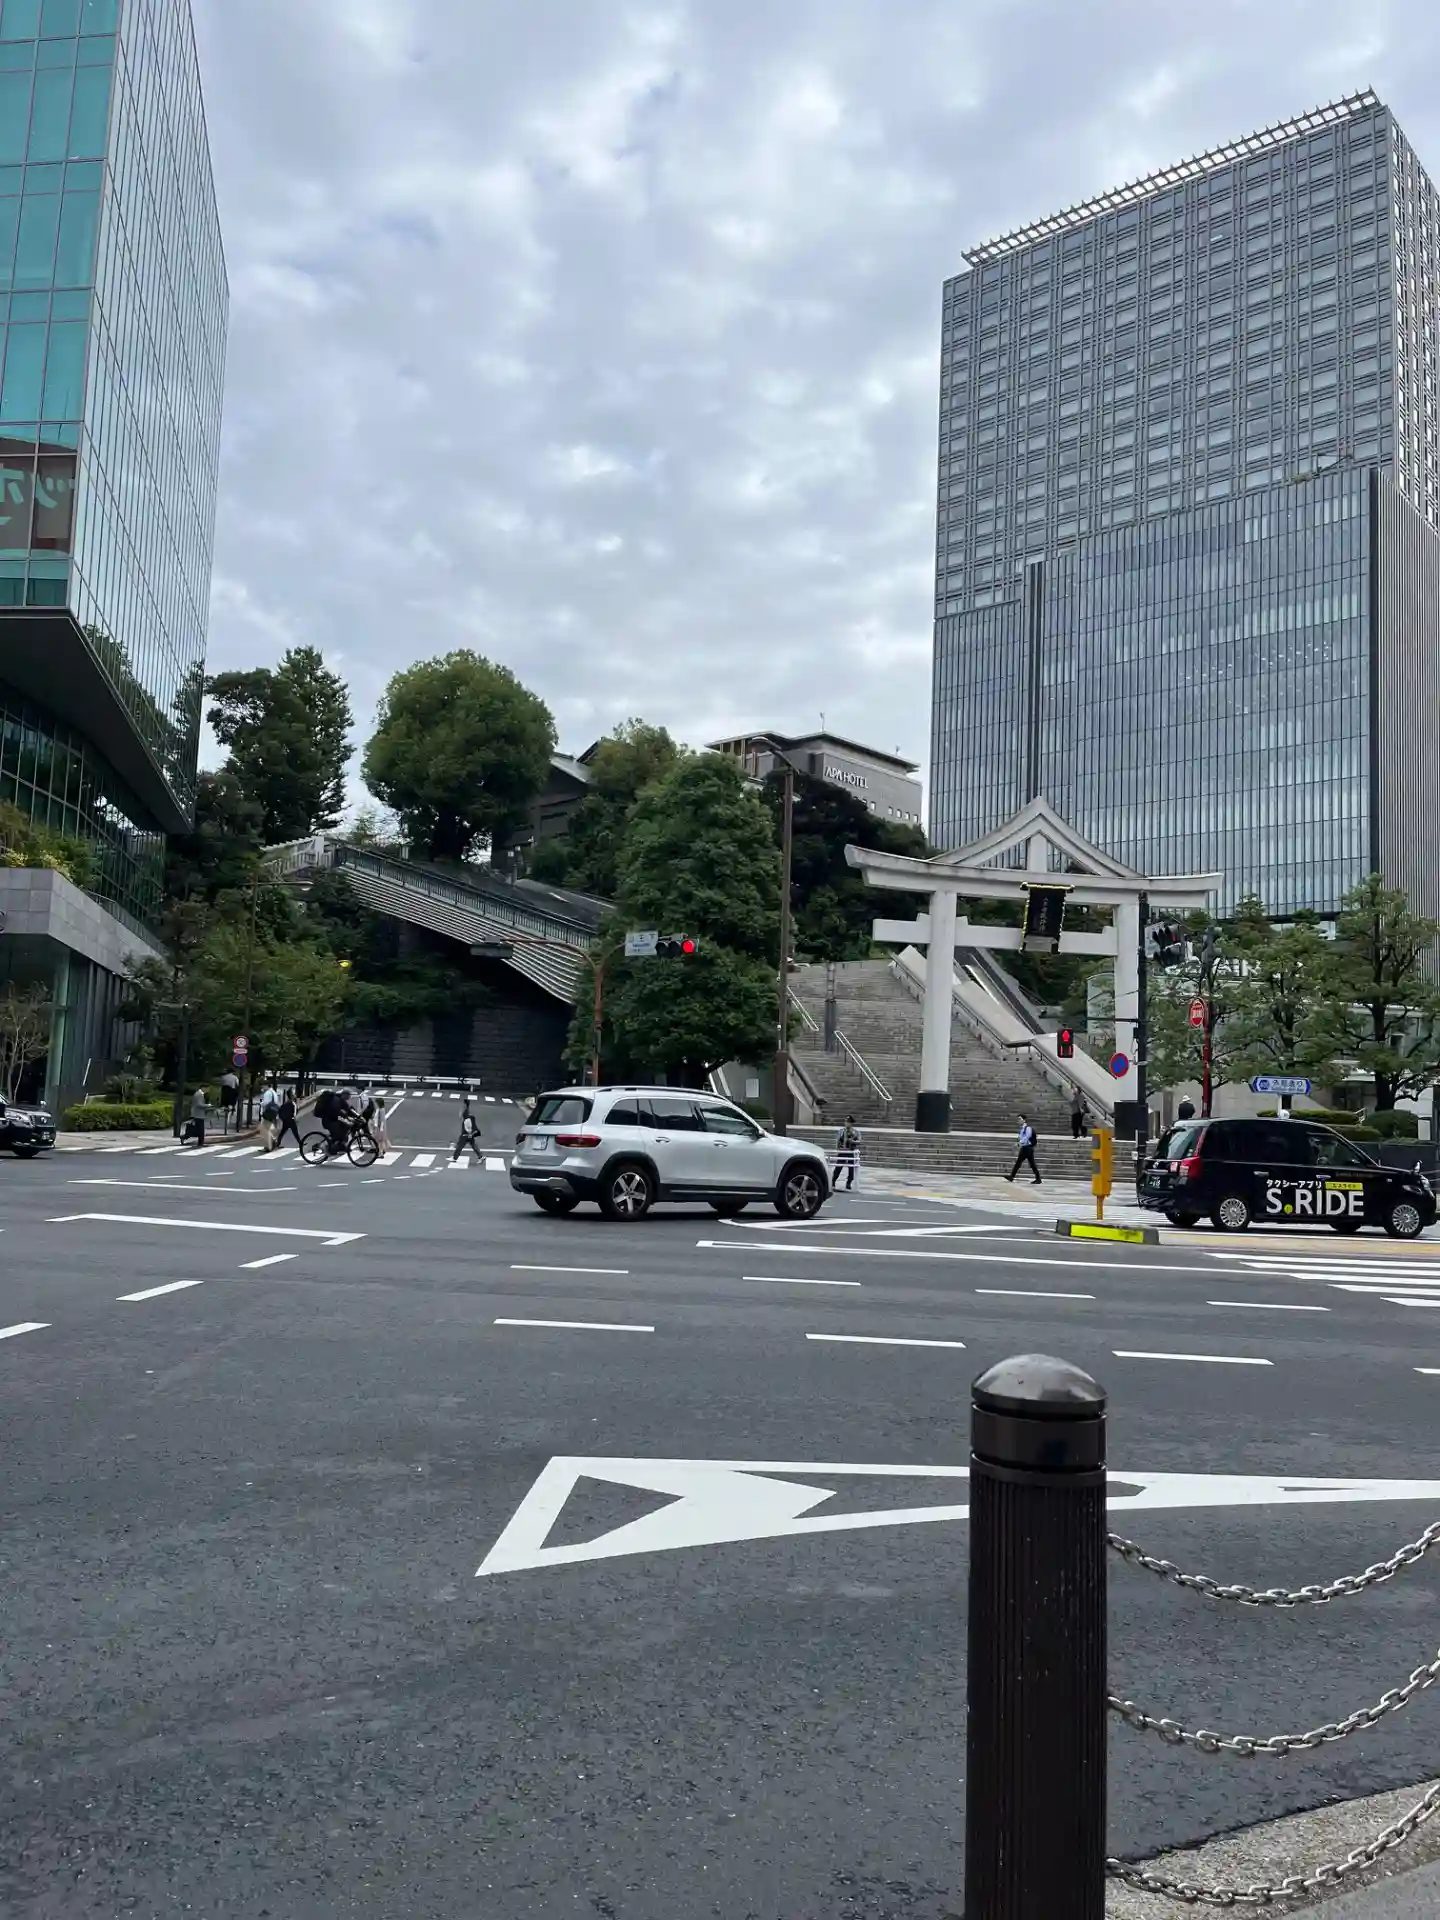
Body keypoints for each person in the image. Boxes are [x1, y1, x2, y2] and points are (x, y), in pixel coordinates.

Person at [313, 1086, 349, 1157]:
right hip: (328, 1121)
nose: (349, 1097)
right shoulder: (336, 1099)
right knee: (337, 1133)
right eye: (348, 1096)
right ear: (344, 1095)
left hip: (333, 1120)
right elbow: (335, 1110)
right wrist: (344, 1115)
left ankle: (339, 1145)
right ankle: (326, 1146)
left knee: (345, 1126)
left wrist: (357, 1116)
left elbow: (348, 1109)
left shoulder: (341, 1100)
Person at [1005, 1113, 1042, 1184]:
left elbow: (1027, 1137)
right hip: (1025, 1148)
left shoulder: (1028, 1128)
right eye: (1018, 1119)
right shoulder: (1022, 1129)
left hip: (1028, 1148)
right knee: (1021, 1163)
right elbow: (1022, 1138)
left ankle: (1038, 1179)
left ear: (1024, 1120)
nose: (1018, 1121)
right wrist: (1019, 1144)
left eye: (1020, 1119)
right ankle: (1011, 1177)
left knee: (1030, 1164)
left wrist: (1019, 1143)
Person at [832, 1116, 861, 1191]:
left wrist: (853, 1141)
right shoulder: (841, 1131)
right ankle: (833, 1181)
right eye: (845, 1122)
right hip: (842, 1151)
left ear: (851, 1123)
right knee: (838, 1167)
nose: (846, 1123)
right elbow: (837, 1140)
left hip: (850, 1151)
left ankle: (849, 1182)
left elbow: (859, 1141)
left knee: (851, 1168)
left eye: (848, 1122)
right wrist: (837, 1149)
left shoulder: (855, 1132)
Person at [271, 1085, 303, 1152]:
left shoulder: (287, 1103)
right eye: (294, 1093)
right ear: (291, 1095)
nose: (295, 1095)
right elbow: (294, 1113)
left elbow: (281, 1111)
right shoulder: (292, 1103)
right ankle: (300, 1143)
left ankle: (277, 1144)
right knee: (295, 1133)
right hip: (291, 1120)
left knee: (283, 1132)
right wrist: (295, 1119)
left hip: (286, 1120)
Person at [453, 1094, 483, 1162]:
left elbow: (462, 1114)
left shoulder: (467, 1118)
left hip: (466, 1134)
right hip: (470, 1133)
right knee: (473, 1145)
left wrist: (469, 1133)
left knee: (460, 1145)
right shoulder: (469, 1117)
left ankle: (454, 1158)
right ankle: (480, 1157)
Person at [259, 1079, 280, 1147]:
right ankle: (273, 1140)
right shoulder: (274, 1092)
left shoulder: (267, 1093)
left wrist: (261, 1103)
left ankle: (269, 1146)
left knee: (264, 1129)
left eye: (263, 1086)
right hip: (273, 1112)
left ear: (266, 1086)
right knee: (267, 1128)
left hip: (267, 1112)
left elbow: (266, 1103)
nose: (262, 1087)